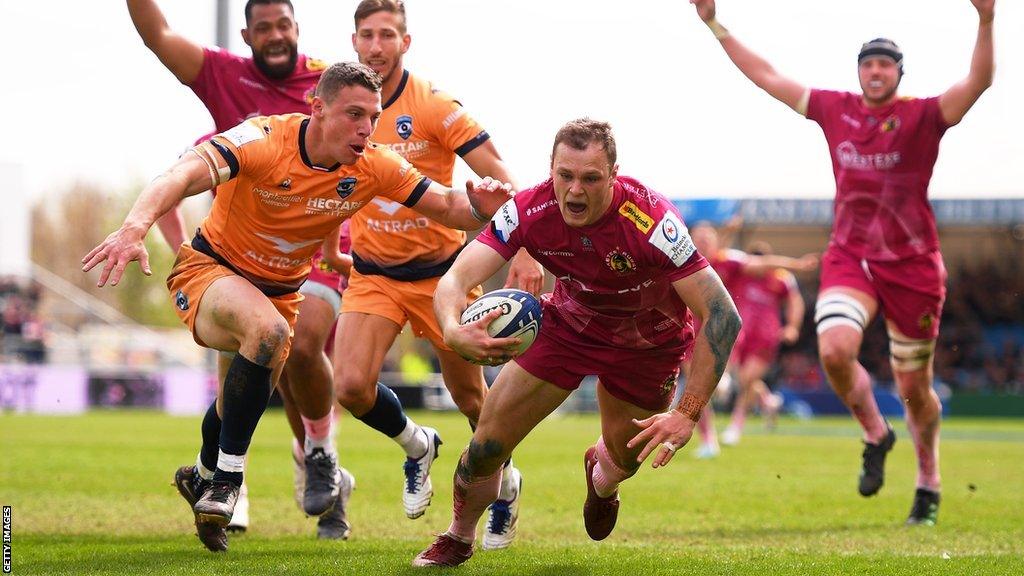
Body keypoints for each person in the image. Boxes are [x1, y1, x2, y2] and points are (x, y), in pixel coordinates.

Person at [82, 62, 513, 553]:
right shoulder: (263, 139)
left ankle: (202, 474)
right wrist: (135, 226)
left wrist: (478, 204)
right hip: (209, 271)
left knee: (235, 399)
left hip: (281, 295)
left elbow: (446, 205)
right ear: (317, 109)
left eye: (372, 117)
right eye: (353, 114)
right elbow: (181, 175)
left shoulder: (373, 163)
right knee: (268, 334)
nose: (365, 128)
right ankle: (227, 481)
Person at [690, 0, 996, 524]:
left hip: (914, 265)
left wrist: (987, 20)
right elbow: (767, 77)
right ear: (859, 72)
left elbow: (979, 82)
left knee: (914, 388)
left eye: (886, 64)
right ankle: (877, 433)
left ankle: (928, 480)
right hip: (852, 257)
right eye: (868, 63)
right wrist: (715, 24)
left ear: (900, 73)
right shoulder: (837, 109)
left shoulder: (923, 115)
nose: (876, 71)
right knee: (834, 349)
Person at [411, 118, 741, 567]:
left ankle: (601, 479)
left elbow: (721, 314)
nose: (574, 191)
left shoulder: (652, 221)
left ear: (614, 175)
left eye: (590, 178)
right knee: (487, 444)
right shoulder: (528, 210)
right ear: (551, 170)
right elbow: (457, 277)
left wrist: (687, 414)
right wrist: (451, 328)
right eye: (564, 176)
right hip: (570, 326)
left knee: (624, 459)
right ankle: (459, 535)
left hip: (649, 344)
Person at [127, 0, 350, 536]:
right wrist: (179, 247)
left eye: (285, 26)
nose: (276, 36)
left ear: (298, 29)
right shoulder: (226, 76)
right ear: (248, 35)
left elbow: (371, 138)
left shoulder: (329, 81)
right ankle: (231, 482)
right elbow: (158, 35)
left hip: (316, 240)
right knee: (250, 360)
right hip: (238, 246)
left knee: (303, 343)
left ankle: (318, 453)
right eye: (265, 27)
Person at [334, 0, 542, 548]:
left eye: (387, 35)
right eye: (366, 36)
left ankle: (506, 485)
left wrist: (524, 248)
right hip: (373, 274)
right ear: (353, 42)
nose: (376, 46)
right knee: (351, 386)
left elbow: (499, 176)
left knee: (475, 403)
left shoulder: (434, 105)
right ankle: (416, 446)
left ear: (406, 42)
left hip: (441, 278)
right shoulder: (342, 105)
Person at [687, 224, 815, 457]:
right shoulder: (679, 262)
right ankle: (709, 439)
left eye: (708, 237)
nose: (704, 241)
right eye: (699, 237)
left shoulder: (731, 264)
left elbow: (771, 273)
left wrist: (796, 265)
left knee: (744, 378)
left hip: (729, 333)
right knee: (695, 388)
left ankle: (732, 406)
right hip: (687, 332)